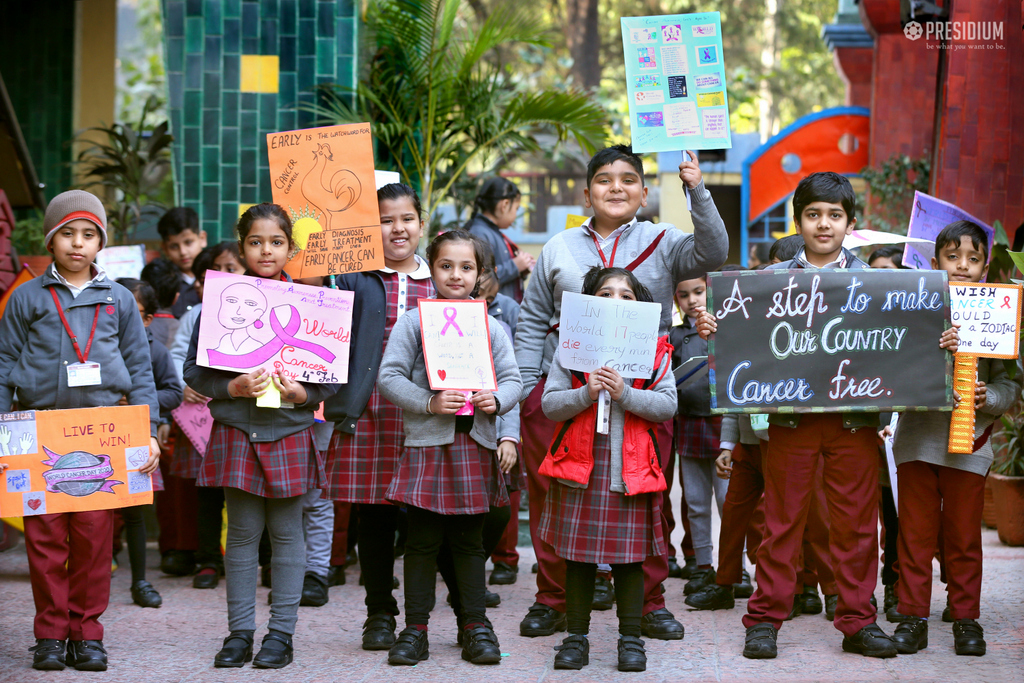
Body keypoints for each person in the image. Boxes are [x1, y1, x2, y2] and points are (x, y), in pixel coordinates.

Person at [696, 172, 959, 659]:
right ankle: (765, 619)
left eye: (834, 216)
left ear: (850, 223)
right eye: (813, 214)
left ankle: (858, 620)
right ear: (799, 221)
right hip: (788, 421)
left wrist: (939, 341)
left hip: (855, 422)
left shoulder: (879, 286)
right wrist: (716, 323)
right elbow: (735, 335)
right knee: (781, 523)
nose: (823, 224)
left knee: (859, 526)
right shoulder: (765, 285)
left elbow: (910, 338)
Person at [514, 144, 728, 640]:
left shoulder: (666, 241)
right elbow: (530, 323)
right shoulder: (559, 248)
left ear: (645, 192)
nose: (616, 187)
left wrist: (696, 188)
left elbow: (713, 252)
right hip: (570, 396)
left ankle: (649, 604)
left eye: (628, 179)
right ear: (587, 192)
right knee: (557, 497)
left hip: (643, 396)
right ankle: (554, 598)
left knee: (648, 496)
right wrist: (526, 390)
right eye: (605, 180)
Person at [0, 190, 161, 671]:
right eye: (67, 233)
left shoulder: (118, 300)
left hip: (103, 434)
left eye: (88, 235)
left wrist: (148, 430)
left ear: (100, 243)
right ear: (50, 240)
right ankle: (50, 635)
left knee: (93, 542)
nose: (77, 243)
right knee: (45, 541)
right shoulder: (26, 297)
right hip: (39, 432)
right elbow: (4, 364)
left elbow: (140, 367)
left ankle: (86, 633)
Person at [183, 203, 339, 670]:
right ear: (241, 245)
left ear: (291, 248)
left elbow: (331, 378)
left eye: (276, 242)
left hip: (289, 430)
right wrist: (228, 387)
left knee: (289, 535)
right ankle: (240, 634)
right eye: (255, 241)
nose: (265, 250)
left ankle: (281, 636)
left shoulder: (315, 304)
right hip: (237, 431)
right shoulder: (219, 301)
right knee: (243, 536)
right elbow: (193, 369)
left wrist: (303, 394)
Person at [377, 229, 522, 666]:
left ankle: (475, 625)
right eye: (445, 265)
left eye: (466, 267)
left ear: (480, 274)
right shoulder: (413, 322)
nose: (455, 275)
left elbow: (514, 381)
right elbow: (389, 377)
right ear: (431, 269)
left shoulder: (492, 326)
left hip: (473, 446)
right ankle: (415, 629)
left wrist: (496, 401)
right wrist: (428, 401)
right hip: (427, 446)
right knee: (420, 543)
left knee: (469, 544)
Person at [890, 220, 1021, 657]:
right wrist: (931, 345)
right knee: (915, 536)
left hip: (971, 446)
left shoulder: (997, 315)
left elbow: (1009, 387)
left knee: (964, 537)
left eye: (973, 258)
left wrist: (990, 397)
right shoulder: (912, 308)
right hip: (917, 442)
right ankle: (912, 617)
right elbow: (891, 366)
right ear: (935, 263)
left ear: (985, 266)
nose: (962, 266)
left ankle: (966, 619)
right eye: (952, 257)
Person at [539, 266, 676, 672]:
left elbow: (667, 405)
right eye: (605, 294)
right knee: (578, 559)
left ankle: (631, 639)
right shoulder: (572, 348)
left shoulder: (653, 351)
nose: (615, 301)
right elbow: (550, 404)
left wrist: (626, 394)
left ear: (641, 307)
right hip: (581, 467)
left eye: (626, 296)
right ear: (588, 304)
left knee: (630, 561)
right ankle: (576, 637)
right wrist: (587, 391)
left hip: (629, 469)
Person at [321, 182, 435, 649]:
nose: (397, 228)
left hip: (428, 414)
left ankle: (420, 618)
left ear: (421, 223)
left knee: (426, 519)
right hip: (370, 412)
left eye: (406, 218)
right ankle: (379, 613)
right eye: (384, 220)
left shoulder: (440, 276)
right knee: (374, 519)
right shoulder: (352, 278)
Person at [114, 278, 184, 609]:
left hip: (135, 436)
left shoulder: (154, 349)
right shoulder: (96, 344)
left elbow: (174, 391)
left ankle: (139, 580)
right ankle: (95, 572)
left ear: (147, 319)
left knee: (136, 513)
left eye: (132, 311)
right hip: (94, 433)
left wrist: (139, 402)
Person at [670, 274, 729, 598]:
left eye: (698, 292)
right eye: (684, 294)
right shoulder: (677, 335)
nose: (692, 300)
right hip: (689, 423)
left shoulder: (728, 326)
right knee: (695, 502)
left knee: (727, 501)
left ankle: (735, 569)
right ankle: (703, 566)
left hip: (723, 425)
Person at [463, 176, 534, 302]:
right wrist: (515, 266)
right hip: (494, 313)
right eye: (516, 209)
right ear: (505, 205)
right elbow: (480, 278)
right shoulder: (480, 233)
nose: (516, 214)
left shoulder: (491, 232)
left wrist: (520, 270)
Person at [158, 207, 207, 318]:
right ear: (164, 249)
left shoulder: (216, 276)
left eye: (188, 242)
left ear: (202, 238)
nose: (183, 252)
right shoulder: (161, 284)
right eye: (174, 246)